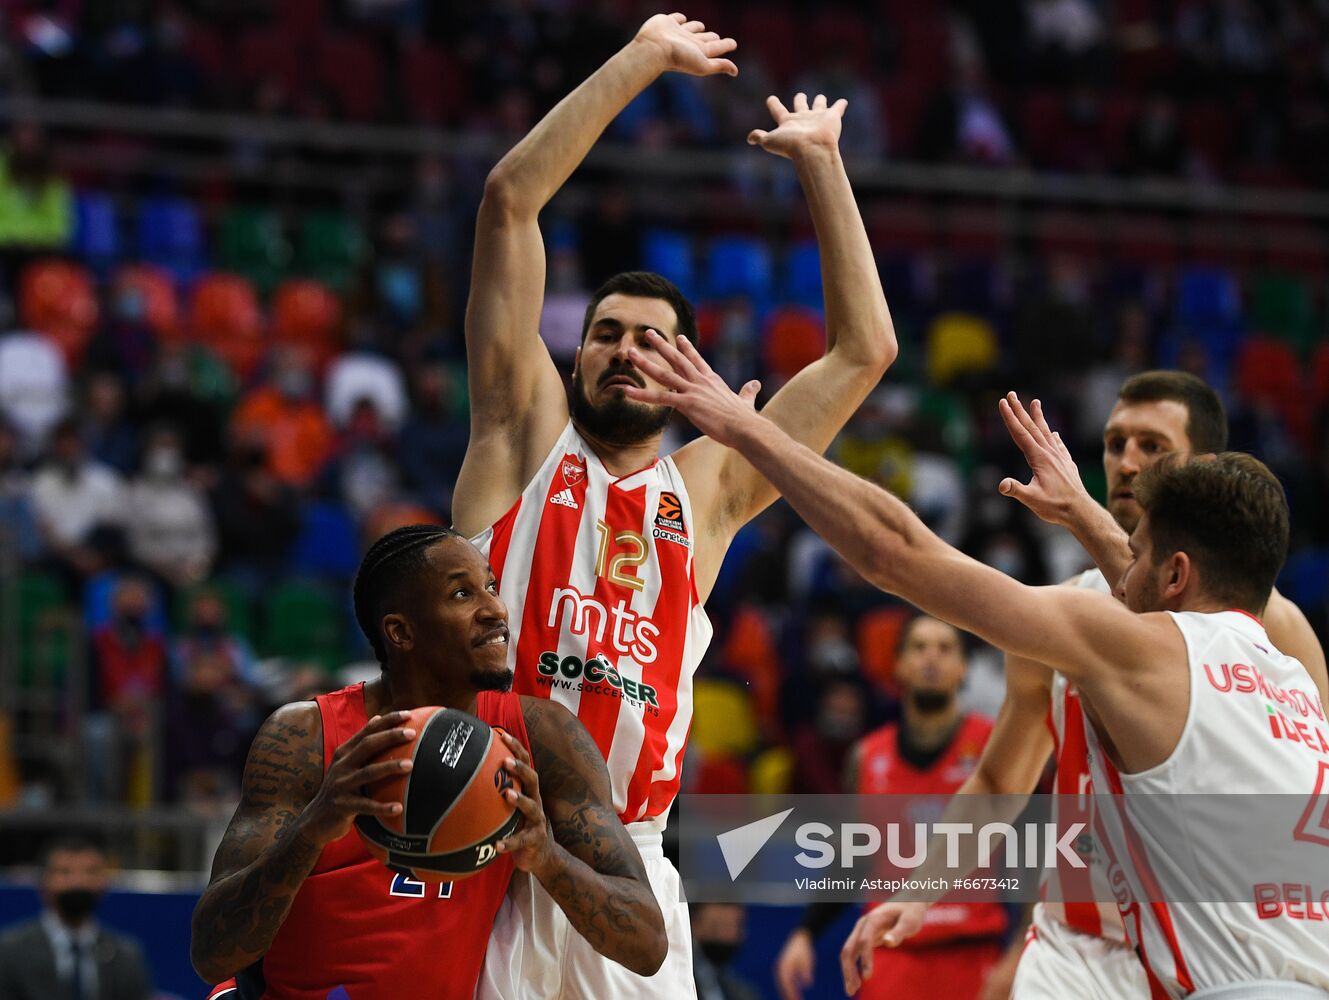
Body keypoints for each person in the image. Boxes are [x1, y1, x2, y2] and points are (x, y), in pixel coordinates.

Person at [624, 332, 1329, 998]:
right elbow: (1008, 771)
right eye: (1116, 443)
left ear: (1174, 565)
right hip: (1134, 949)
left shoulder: (1148, 641)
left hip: (1211, 973)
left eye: (1152, 448)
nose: (1126, 463)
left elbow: (894, 552)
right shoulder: (1284, 677)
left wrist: (748, 433)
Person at [455, 13, 897, 996]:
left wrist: (822, 165)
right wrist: (645, 57)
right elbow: (508, 202)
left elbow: (864, 351)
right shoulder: (520, 430)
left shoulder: (708, 488)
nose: (621, 349)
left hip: (631, 865)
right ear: (576, 353)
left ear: (683, 370)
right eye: (605, 332)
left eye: (649, 340)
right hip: (487, 841)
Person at [190, 526, 666, 998]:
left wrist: (547, 857)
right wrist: (312, 828)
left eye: (492, 587)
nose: (495, 610)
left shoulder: (540, 736)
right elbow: (212, 953)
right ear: (400, 631)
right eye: (462, 593)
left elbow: (647, 945)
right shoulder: (305, 737)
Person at [775, 615, 1006, 1000]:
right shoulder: (866, 757)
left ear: (964, 667)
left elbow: (1035, 854)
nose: (931, 657)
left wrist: (1018, 951)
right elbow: (852, 858)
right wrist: (805, 933)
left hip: (974, 953)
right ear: (898, 664)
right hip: (891, 957)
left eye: (945, 648)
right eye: (919, 647)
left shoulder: (993, 748)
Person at [0, 834, 153, 1000]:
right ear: (43, 883)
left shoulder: (126, 955)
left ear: (105, 883)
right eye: (65, 872)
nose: (78, 881)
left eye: (90, 872)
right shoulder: (9, 952)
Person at [692, 903, 762, 1000]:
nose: (727, 935)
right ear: (694, 924)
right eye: (717, 927)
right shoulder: (678, 979)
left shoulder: (740, 991)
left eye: (736, 926)